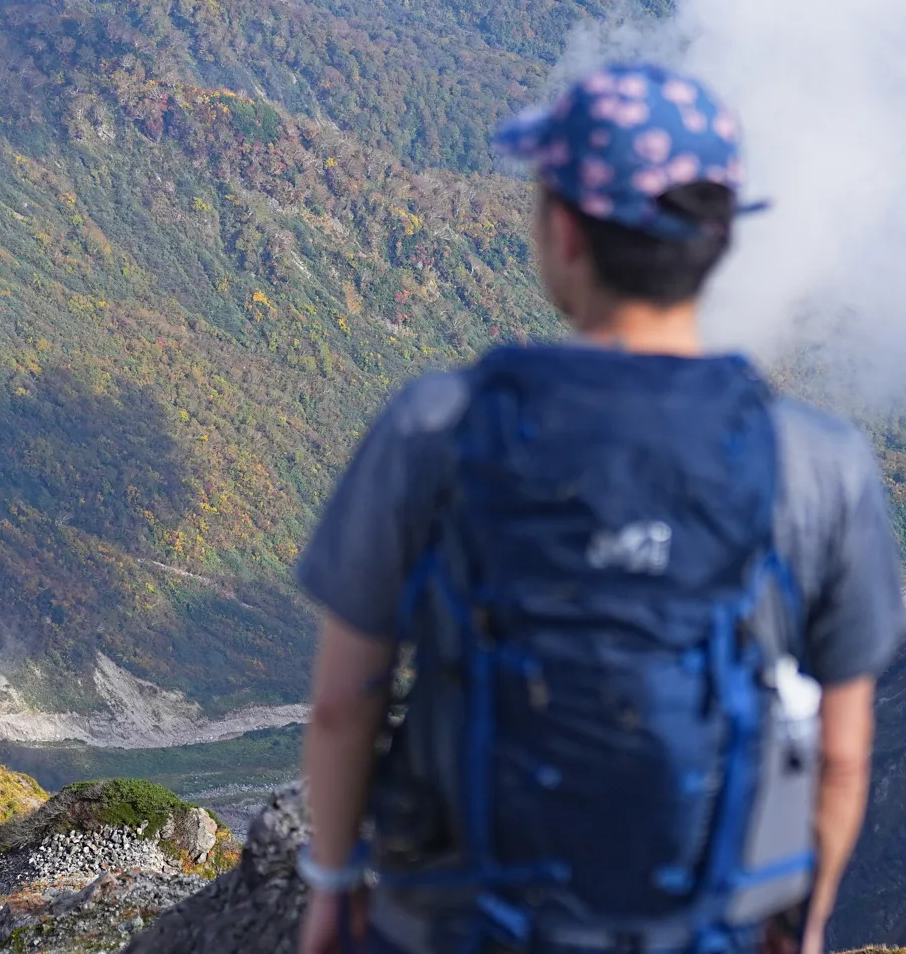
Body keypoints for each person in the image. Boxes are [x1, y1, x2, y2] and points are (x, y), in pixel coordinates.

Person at [292, 65, 906, 954]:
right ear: (721, 244)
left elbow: (346, 702)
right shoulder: (819, 465)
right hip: (694, 928)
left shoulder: (437, 427)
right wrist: (801, 925)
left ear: (565, 233)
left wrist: (334, 882)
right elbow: (844, 751)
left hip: (453, 923)